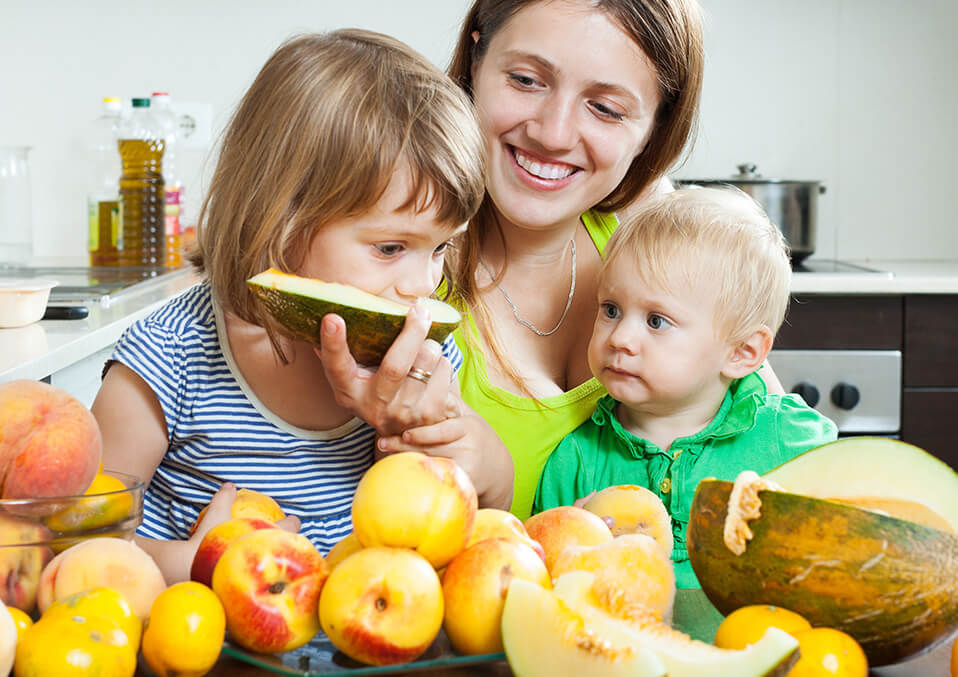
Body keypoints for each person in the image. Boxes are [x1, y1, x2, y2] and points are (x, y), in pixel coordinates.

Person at [90, 29, 512, 584]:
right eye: (390, 248)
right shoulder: (170, 356)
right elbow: (79, 544)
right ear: (283, 222)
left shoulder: (422, 362)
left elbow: (487, 519)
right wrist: (194, 565)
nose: (422, 285)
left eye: (441, 247)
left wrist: (474, 459)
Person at [356, 0, 726, 522]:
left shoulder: (661, 237)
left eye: (606, 109)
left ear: (654, 129)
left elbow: (778, 447)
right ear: (475, 59)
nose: (552, 133)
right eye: (527, 79)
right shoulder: (392, 264)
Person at [533, 187, 838, 588]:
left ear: (743, 353)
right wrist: (569, 539)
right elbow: (550, 582)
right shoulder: (573, 462)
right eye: (611, 309)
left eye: (656, 321)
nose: (620, 337)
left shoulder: (791, 441)